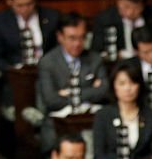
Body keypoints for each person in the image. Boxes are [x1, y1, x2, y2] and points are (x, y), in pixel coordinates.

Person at [37, 12, 109, 148]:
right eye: (72, 38)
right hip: (59, 125)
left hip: (91, 121)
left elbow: (104, 91)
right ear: (60, 37)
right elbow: (51, 100)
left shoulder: (95, 59)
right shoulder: (48, 62)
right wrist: (90, 91)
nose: (77, 44)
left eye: (82, 38)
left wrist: (70, 93)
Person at [93, 60, 152, 159]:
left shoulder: (151, 116)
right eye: (122, 83)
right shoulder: (103, 115)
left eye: (133, 83)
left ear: (139, 85)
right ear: (114, 86)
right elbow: (99, 155)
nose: (128, 88)